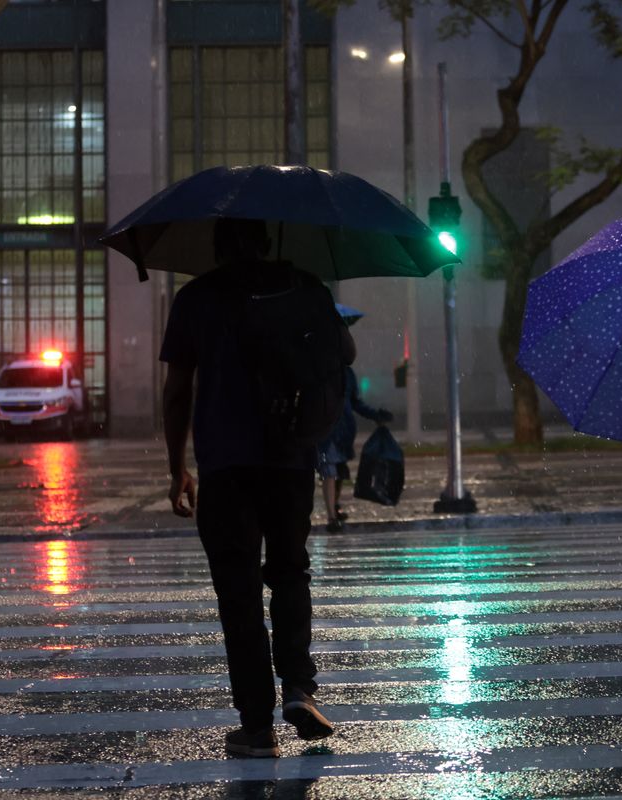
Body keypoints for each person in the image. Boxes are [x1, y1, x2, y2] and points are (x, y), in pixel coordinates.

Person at [160, 217, 354, 758]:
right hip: (291, 458)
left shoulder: (196, 297)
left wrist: (176, 468)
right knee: (290, 571)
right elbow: (345, 352)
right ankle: (299, 688)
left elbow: (177, 392)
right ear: (268, 241)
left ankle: (256, 727)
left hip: (225, 465)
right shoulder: (306, 287)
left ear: (217, 246)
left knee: (238, 593)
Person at [318, 362, 392, 532]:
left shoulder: (345, 374)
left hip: (341, 432)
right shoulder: (328, 371)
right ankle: (331, 516)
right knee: (330, 472)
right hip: (328, 431)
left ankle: (334, 507)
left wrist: (375, 415)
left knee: (337, 472)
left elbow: (355, 402)